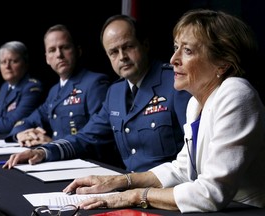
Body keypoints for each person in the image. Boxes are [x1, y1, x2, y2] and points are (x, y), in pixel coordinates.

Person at [61, 9, 265, 212]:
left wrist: (134, 195)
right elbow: (182, 170)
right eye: (176, 48)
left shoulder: (236, 93)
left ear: (222, 64)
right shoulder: (196, 103)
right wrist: (118, 182)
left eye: (188, 51)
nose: (174, 58)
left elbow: (209, 193)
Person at [3, 15, 191, 172]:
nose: (122, 57)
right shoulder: (115, 92)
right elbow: (87, 137)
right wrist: (44, 152)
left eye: (128, 47)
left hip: (167, 194)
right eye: (113, 52)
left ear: (145, 44)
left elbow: (195, 155)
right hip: (129, 188)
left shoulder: (175, 83)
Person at [5, 24, 112, 151]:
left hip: (87, 162)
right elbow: (30, 120)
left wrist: (54, 145)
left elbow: (99, 135)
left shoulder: (95, 83)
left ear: (78, 51)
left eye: (65, 47)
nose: (59, 55)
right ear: (47, 59)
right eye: (52, 50)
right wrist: (20, 135)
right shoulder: (55, 91)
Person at [0, 41, 43, 135]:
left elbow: (11, 124)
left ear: (25, 63)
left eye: (14, 61)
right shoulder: (5, 87)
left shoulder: (32, 88)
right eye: (3, 62)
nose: (7, 66)